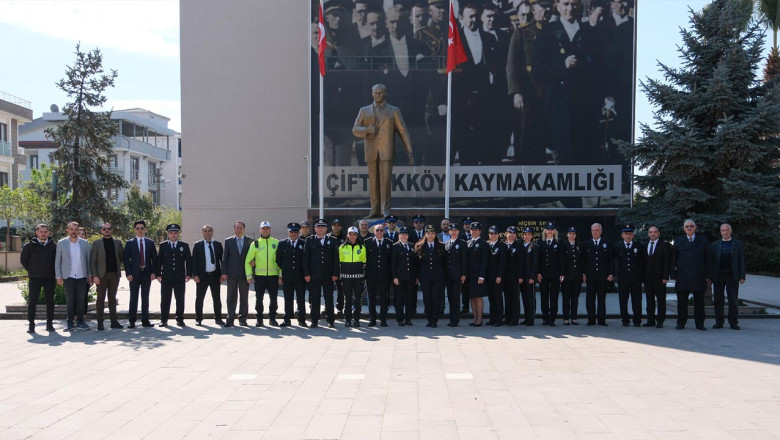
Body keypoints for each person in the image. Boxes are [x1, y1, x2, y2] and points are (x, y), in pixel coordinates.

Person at [532, 0, 603, 165]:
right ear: (557, 5)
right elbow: (537, 70)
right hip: (559, 106)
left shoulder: (589, 32)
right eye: (565, 3)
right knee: (565, 159)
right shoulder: (547, 33)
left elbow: (600, 69)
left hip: (585, 106)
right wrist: (562, 65)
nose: (570, 8)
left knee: (585, 157)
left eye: (574, 4)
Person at [352, 84, 414, 217]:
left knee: (385, 182)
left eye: (381, 93)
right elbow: (355, 129)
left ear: (385, 94)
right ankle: (374, 209)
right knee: (373, 182)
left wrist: (409, 150)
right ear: (372, 93)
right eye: (376, 93)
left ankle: (385, 210)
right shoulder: (364, 110)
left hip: (386, 151)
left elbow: (403, 131)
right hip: (371, 151)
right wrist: (366, 131)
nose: (378, 95)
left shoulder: (394, 111)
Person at [673, 219, 709, 331]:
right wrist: (673, 275)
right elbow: (673, 259)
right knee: (682, 303)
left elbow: (708, 259)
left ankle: (700, 324)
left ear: (695, 227)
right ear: (684, 229)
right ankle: (681, 323)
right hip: (683, 276)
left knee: (699, 303)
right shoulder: (678, 240)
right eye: (687, 226)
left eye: (691, 226)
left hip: (698, 276)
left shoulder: (703, 240)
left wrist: (708, 276)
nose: (689, 228)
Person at [55, 221, 92, 331]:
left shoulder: (85, 243)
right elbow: (58, 261)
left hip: (82, 276)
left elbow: (88, 261)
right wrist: (58, 276)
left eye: (76, 230)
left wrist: (89, 275)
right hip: (68, 276)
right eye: (71, 229)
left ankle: (81, 322)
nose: (74, 232)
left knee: (81, 299)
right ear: (68, 230)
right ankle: (70, 323)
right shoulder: (62, 243)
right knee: (70, 300)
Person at [304, 219, 340, 328]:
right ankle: (314, 320)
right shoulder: (309, 241)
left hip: (328, 275)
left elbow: (335, 259)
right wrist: (307, 274)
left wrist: (335, 273)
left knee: (329, 298)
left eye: (323, 227)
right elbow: (305, 259)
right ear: (315, 229)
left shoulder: (332, 240)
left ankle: (330, 320)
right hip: (314, 275)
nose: (320, 229)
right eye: (318, 227)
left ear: (326, 229)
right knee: (315, 298)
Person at [20, 223, 57, 333]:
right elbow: (23, 261)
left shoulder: (54, 246)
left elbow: (57, 261)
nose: (43, 234)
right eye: (41, 232)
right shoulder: (29, 246)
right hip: (34, 278)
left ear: (48, 233)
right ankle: (31, 325)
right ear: (37, 233)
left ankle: (49, 324)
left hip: (49, 278)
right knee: (32, 302)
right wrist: (31, 270)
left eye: (45, 232)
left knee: (50, 301)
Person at [709, 223, 745, 330]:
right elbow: (711, 262)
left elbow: (741, 261)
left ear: (731, 231)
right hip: (718, 277)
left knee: (733, 301)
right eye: (723, 230)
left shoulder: (738, 244)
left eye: (727, 230)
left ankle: (733, 322)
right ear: (720, 232)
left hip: (732, 276)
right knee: (718, 300)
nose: (725, 232)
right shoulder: (715, 245)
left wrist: (742, 276)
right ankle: (719, 322)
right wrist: (710, 276)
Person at [89, 222, 124, 331]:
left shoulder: (118, 243)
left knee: (112, 298)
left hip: (114, 275)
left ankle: (114, 321)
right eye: (104, 229)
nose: (107, 230)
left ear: (112, 230)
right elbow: (92, 261)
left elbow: (121, 257)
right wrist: (94, 275)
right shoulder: (96, 243)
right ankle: (100, 323)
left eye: (109, 228)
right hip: (101, 275)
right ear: (101, 230)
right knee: (100, 299)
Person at [156, 224, 192, 327]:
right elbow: (159, 261)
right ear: (168, 234)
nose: (173, 235)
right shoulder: (163, 246)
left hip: (179, 277)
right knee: (165, 300)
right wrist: (158, 274)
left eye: (175, 233)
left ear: (178, 234)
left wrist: (188, 274)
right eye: (171, 233)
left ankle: (180, 319)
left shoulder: (184, 245)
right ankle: (164, 319)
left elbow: (188, 261)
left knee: (180, 299)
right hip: (166, 277)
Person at [245, 221, 280, 327]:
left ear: (270, 230)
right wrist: (249, 275)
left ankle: (272, 318)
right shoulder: (255, 244)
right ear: (260, 230)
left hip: (273, 276)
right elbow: (248, 261)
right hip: (260, 277)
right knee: (259, 299)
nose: (265, 230)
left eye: (267, 228)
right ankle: (259, 319)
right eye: (263, 228)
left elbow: (280, 261)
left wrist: (281, 275)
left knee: (273, 299)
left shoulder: (276, 242)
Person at [123, 220, 157, 329]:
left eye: (142, 228)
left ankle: (145, 320)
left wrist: (154, 272)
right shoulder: (130, 243)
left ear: (145, 229)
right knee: (133, 298)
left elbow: (154, 259)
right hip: (134, 275)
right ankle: (132, 321)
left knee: (145, 298)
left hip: (146, 274)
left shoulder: (150, 243)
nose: (140, 230)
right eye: (137, 228)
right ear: (134, 230)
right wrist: (128, 273)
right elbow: (126, 260)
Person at [276, 222, 307, 327]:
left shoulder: (304, 243)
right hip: (287, 276)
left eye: (296, 232)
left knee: (301, 298)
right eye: (291, 232)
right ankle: (287, 319)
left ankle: (302, 319)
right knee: (288, 298)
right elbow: (278, 260)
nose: (293, 234)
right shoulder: (282, 243)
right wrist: (285, 270)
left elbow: (306, 260)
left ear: (299, 232)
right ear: (288, 232)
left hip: (300, 276)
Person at [192, 225, 224, 326]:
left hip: (215, 275)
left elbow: (222, 261)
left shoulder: (218, 245)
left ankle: (218, 318)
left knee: (216, 298)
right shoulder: (197, 245)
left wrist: (222, 274)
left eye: (209, 231)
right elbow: (194, 262)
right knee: (200, 298)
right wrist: (195, 275)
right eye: (205, 231)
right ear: (202, 232)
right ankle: (198, 318)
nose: (207, 233)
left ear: (212, 232)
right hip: (202, 276)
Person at [222, 221, 252, 327]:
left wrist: (252, 270)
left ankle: (243, 319)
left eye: (241, 228)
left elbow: (253, 257)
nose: (239, 230)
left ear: (244, 229)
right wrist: (224, 272)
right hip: (232, 274)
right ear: (234, 229)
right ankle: (230, 318)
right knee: (231, 297)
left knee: (244, 297)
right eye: (237, 228)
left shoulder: (250, 241)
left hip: (245, 274)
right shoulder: (228, 241)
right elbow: (225, 258)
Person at [415, 225, 446, 328]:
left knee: (436, 298)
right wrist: (417, 276)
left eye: (432, 233)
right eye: (428, 233)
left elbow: (444, 263)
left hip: (438, 277)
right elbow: (417, 264)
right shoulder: (420, 246)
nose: (430, 235)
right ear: (425, 234)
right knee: (427, 299)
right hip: (425, 277)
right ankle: (429, 319)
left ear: (435, 234)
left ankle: (435, 320)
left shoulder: (441, 246)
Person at [582, 223, 613, 326]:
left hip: (602, 276)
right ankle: (591, 319)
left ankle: (601, 320)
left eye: (597, 230)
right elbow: (583, 260)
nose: (595, 232)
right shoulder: (586, 244)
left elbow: (610, 260)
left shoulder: (607, 243)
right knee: (590, 299)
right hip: (590, 276)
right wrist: (583, 273)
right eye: (593, 230)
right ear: (591, 231)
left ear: (601, 231)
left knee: (601, 299)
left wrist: (611, 273)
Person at [613, 224, 643, 327]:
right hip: (623, 278)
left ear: (633, 235)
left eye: (630, 234)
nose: (628, 236)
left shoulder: (639, 246)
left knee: (637, 300)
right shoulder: (617, 246)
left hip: (636, 278)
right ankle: (625, 320)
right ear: (622, 235)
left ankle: (637, 320)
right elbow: (614, 261)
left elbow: (642, 262)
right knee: (623, 300)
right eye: (626, 234)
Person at [642, 225, 671, 328]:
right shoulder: (645, 244)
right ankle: (650, 320)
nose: (653, 234)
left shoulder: (664, 245)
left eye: (655, 232)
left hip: (660, 278)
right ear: (648, 234)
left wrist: (665, 276)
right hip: (648, 278)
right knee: (649, 300)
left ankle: (660, 321)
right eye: (651, 232)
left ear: (659, 233)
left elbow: (667, 262)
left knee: (661, 300)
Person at [365, 223, 393, 326]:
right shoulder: (367, 242)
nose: (379, 232)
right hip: (371, 275)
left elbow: (391, 261)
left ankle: (383, 319)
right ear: (374, 232)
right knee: (371, 298)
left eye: (381, 230)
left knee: (383, 298)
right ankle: (372, 319)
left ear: (384, 231)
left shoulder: (389, 243)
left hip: (384, 275)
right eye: (377, 230)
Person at [339, 227, 367, 327]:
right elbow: (339, 263)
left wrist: (363, 277)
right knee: (348, 299)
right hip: (346, 278)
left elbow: (364, 263)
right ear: (347, 235)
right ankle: (347, 319)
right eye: (350, 234)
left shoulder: (362, 248)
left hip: (358, 277)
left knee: (357, 299)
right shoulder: (342, 247)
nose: (352, 236)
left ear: (357, 236)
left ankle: (356, 320)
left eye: (354, 234)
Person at [391, 227, 418, 326]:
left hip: (410, 277)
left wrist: (416, 277)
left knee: (409, 298)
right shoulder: (395, 246)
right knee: (400, 299)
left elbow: (415, 263)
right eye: (402, 234)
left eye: (406, 234)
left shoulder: (411, 246)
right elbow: (393, 263)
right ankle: (400, 319)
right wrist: (394, 277)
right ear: (399, 236)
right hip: (400, 277)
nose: (404, 236)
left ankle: (408, 318)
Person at [537, 222, 561, 326]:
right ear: (545, 231)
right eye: (548, 229)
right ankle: (545, 317)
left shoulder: (559, 242)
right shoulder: (540, 242)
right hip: (543, 274)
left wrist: (562, 273)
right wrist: (538, 272)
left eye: (552, 229)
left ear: (554, 231)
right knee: (544, 296)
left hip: (555, 274)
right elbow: (538, 259)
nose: (550, 231)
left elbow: (561, 259)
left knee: (554, 297)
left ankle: (552, 318)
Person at [445, 223, 468, 327]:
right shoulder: (447, 243)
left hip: (458, 274)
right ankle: (451, 318)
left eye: (455, 230)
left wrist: (464, 273)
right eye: (451, 230)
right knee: (450, 297)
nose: (453, 232)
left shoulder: (462, 243)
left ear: (458, 231)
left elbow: (464, 260)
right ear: (449, 232)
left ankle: (455, 319)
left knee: (456, 297)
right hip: (448, 275)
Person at [466, 222, 490, 326]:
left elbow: (485, 262)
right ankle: (475, 318)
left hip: (478, 275)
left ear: (480, 231)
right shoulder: (468, 242)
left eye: (476, 230)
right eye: (472, 230)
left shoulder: (483, 244)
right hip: (470, 275)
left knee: (478, 297)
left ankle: (479, 319)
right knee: (472, 297)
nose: (474, 231)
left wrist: (482, 276)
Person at [559, 226, 582, 325]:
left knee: (575, 298)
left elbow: (581, 261)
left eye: (573, 234)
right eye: (570, 233)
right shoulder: (563, 245)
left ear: (576, 235)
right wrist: (562, 274)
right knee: (566, 297)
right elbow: (561, 261)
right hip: (566, 276)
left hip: (577, 276)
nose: (571, 235)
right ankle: (565, 318)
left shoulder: (579, 245)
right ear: (567, 235)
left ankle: (574, 317)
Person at [486, 226, 507, 326]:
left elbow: (502, 262)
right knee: (491, 298)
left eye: (495, 233)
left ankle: (499, 319)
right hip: (489, 276)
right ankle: (492, 318)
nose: (493, 235)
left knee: (498, 298)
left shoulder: (502, 246)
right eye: (491, 233)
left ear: (498, 235)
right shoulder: (487, 245)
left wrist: (499, 276)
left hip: (497, 277)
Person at [502, 226, 522, 326]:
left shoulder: (519, 246)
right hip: (505, 277)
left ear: (516, 235)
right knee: (507, 297)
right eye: (510, 233)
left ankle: (515, 319)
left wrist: (520, 276)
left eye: (514, 233)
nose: (511, 235)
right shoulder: (504, 245)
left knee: (515, 298)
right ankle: (507, 317)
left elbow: (521, 263)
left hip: (515, 276)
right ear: (506, 234)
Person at [519, 227, 538, 325]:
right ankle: (526, 318)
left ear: (532, 236)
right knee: (525, 298)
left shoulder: (534, 246)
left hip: (530, 277)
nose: (527, 236)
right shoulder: (521, 245)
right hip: (523, 277)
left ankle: (531, 319)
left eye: (529, 234)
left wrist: (532, 277)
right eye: (525, 234)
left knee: (530, 299)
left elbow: (535, 263)